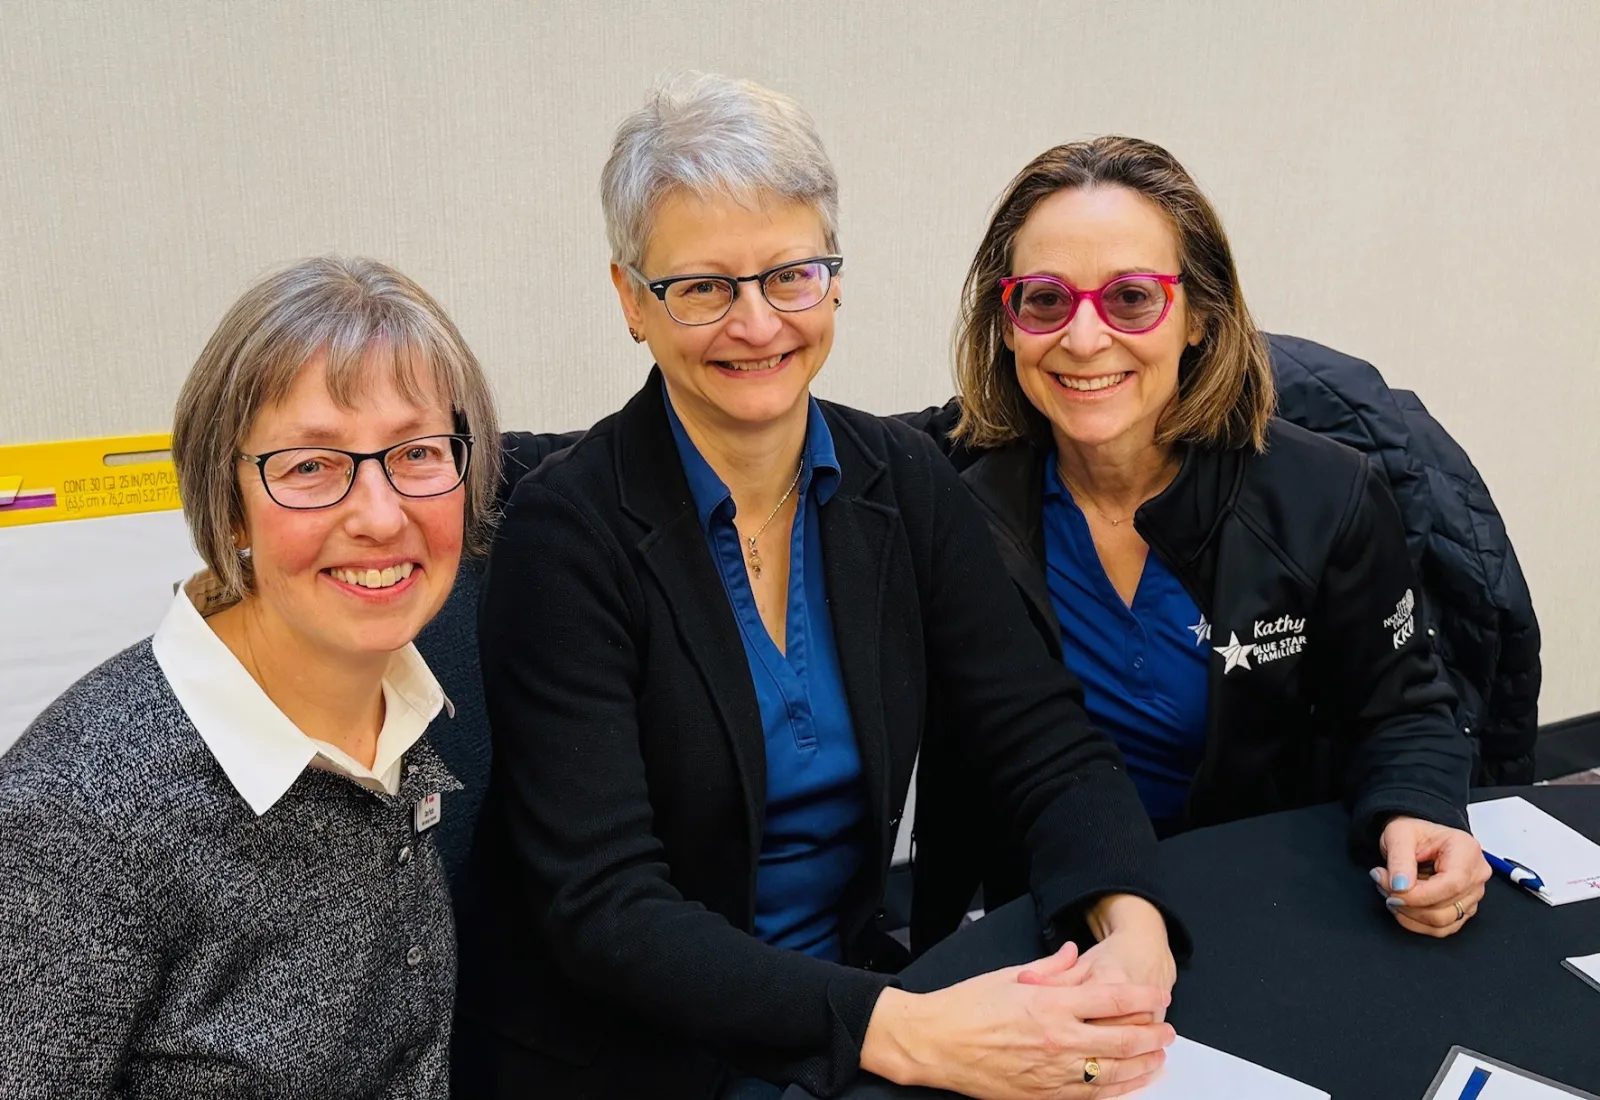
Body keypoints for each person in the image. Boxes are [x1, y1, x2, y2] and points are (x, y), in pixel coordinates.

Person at [454, 74, 1183, 1100]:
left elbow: (1043, 738)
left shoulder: (906, 483)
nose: (757, 324)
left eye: (789, 274)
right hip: (633, 1051)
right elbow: (606, 905)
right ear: (631, 301)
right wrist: (905, 1029)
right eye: (702, 285)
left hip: (845, 1014)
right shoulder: (565, 533)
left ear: (833, 280)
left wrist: (1131, 925)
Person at [914, 136, 1486, 948]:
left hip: (1265, 901)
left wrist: (1423, 813)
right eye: (1044, 299)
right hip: (1047, 914)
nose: (1083, 339)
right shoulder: (945, 488)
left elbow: (1402, 708)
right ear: (1006, 325)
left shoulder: (1324, 497)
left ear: (1199, 318)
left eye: (1132, 298)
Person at [0, 255, 501, 1097]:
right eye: (310, 465)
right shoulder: (74, 819)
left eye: (416, 452)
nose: (381, 516)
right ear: (227, 504)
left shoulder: (406, 710)